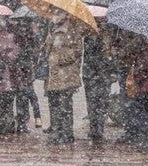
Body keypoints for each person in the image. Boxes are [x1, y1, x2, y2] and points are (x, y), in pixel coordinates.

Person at [43, 10, 84, 144]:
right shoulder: (51, 28)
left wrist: (58, 57)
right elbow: (48, 51)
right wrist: (47, 45)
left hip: (66, 74)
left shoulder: (72, 30)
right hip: (53, 73)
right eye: (54, 13)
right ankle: (56, 132)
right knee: (53, 103)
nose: (55, 16)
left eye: (59, 13)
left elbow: (77, 51)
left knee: (65, 104)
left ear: (66, 15)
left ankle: (67, 133)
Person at [82, 23, 113, 141]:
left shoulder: (106, 37)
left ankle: (98, 128)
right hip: (92, 74)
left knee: (100, 102)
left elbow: (108, 58)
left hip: (101, 75)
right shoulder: (88, 37)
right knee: (93, 102)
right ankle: (94, 127)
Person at [0, 18, 18, 136]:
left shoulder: (9, 37)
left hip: (6, 74)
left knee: (7, 101)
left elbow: (14, 54)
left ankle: (8, 125)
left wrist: (5, 55)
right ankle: (0, 126)